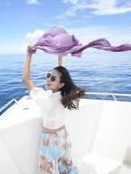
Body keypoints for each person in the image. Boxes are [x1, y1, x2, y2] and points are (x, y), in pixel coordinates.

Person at [22, 46, 85, 174]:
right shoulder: (64, 95)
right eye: (48, 75)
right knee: (67, 169)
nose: (48, 79)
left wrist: (29, 55)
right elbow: (62, 80)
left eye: (52, 78)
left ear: (61, 84)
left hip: (50, 142)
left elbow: (26, 79)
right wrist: (60, 60)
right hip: (63, 137)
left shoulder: (46, 99)